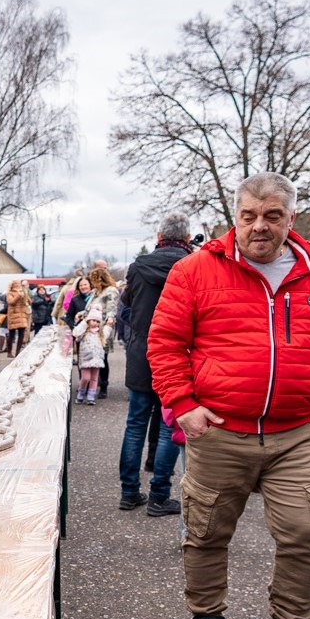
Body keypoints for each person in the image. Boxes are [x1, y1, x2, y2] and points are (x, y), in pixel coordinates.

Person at [148, 172, 310, 619]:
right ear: (235, 216)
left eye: (272, 216)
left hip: (297, 432)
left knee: (305, 535)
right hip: (220, 431)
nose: (259, 226)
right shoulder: (195, 270)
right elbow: (165, 342)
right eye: (248, 216)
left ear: (291, 217)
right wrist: (183, 404)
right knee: (205, 534)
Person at [118, 213, 193, 515]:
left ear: (160, 236)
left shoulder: (138, 267)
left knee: (135, 424)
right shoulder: (192, 265)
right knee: (167, 427)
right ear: (187, 238)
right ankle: (159, 496)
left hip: (141, 353)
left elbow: (126, 306)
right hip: (177, 356)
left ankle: (129, 492)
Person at [88, 263, 121, 397]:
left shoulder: (111, 291)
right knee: (92, 356)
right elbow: (89, 308)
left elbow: (111, 309)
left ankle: (104, 386)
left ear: (99, 279)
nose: (92, 282)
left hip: (103, 328)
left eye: (93, 279)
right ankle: (92, 384)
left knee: (102, 357)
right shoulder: (95, 292)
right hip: (91, 328)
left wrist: (109, 321)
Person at [72, 304, 108, 403]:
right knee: (85, 378)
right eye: (93, 320)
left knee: (94, 378)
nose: (95, 323)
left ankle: (91, 396)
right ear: (88, 320)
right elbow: (75, 333)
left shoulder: (100, 333)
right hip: (86, 358)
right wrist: (84, 322)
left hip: (97, 358)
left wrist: (109, 325)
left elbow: (107, 332)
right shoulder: (84, 331)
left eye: (98, 321)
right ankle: (81, 393)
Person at [4, 278, 33, 356]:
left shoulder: (23, 292)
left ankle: (18, 352)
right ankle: (9, 352)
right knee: (11, 334)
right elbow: (11, 302)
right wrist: (18, 296)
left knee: (21, 333)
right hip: (13, 315)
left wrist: (26, 295)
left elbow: (29, 302)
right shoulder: (10, 293)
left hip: (22, 315)